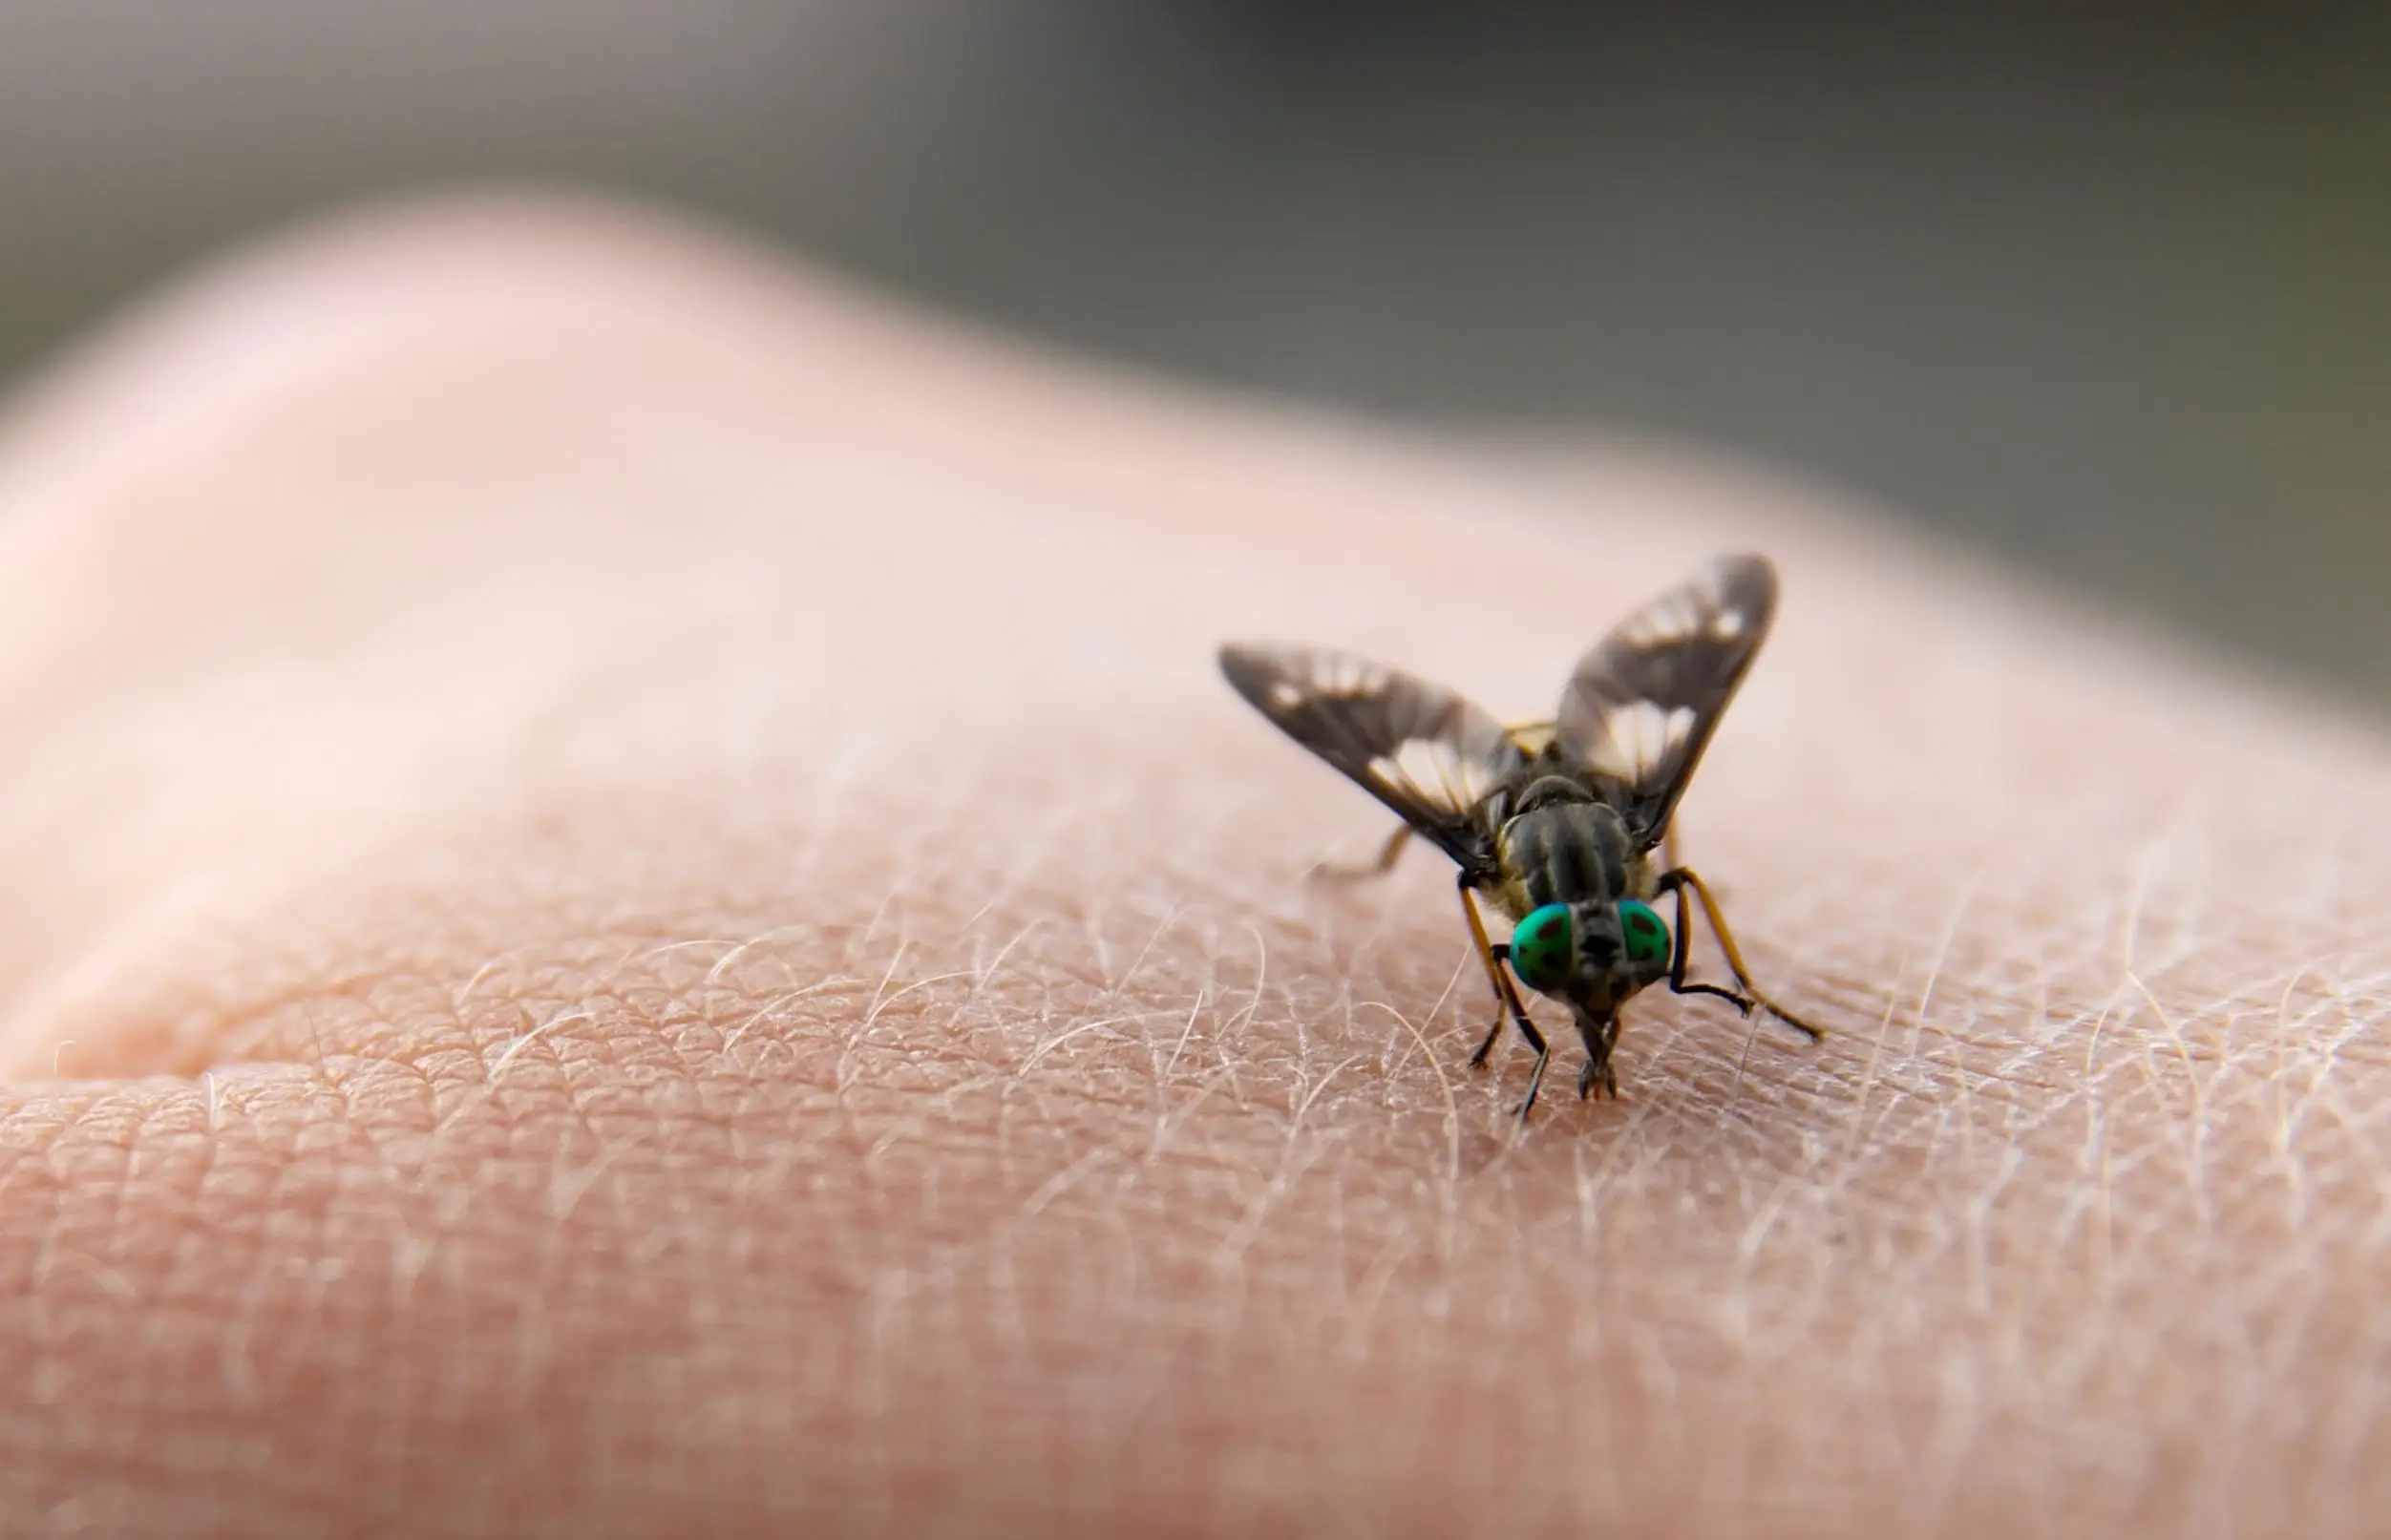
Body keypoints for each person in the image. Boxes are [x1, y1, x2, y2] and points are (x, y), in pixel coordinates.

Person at [0, 194, 2377, 1535]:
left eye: (1616, 940)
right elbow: (1483, 834)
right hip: (1491, 768)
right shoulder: (1483, 839)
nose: (1605, 947)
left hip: (1559, 756)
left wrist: (1706, 969)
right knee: (1421, 814)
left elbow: (1657, 758)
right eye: (1590, 944)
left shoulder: (1638, 834)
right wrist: (1475, 956)